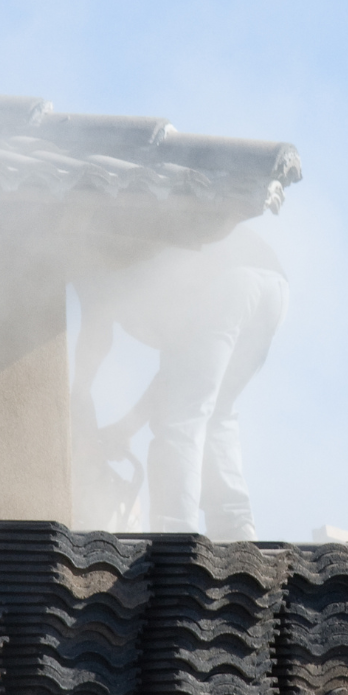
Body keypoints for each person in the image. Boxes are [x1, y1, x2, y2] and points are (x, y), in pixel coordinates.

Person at [72, 226, 288, 539]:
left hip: (222, 282)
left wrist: (79, 395)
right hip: (273, 289)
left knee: (180, 419)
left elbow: (96, 337)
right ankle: (236, 531)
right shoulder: (171, 312)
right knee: (216, 413)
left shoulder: (92, 263)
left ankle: (173, 538)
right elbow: (174, 380)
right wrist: (125, 428)